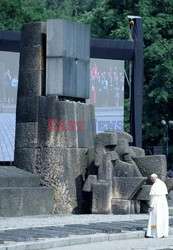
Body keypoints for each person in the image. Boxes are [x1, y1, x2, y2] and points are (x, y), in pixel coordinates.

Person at [146, 173, 169, 238]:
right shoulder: (162, 183)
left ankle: (154, 232)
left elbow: (153, 197)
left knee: (154, 219)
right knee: (163, 218)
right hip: (163, 203)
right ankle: (163, 232)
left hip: (157, 204)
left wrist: (151, 206)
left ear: (153, 178)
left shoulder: (155, 185)